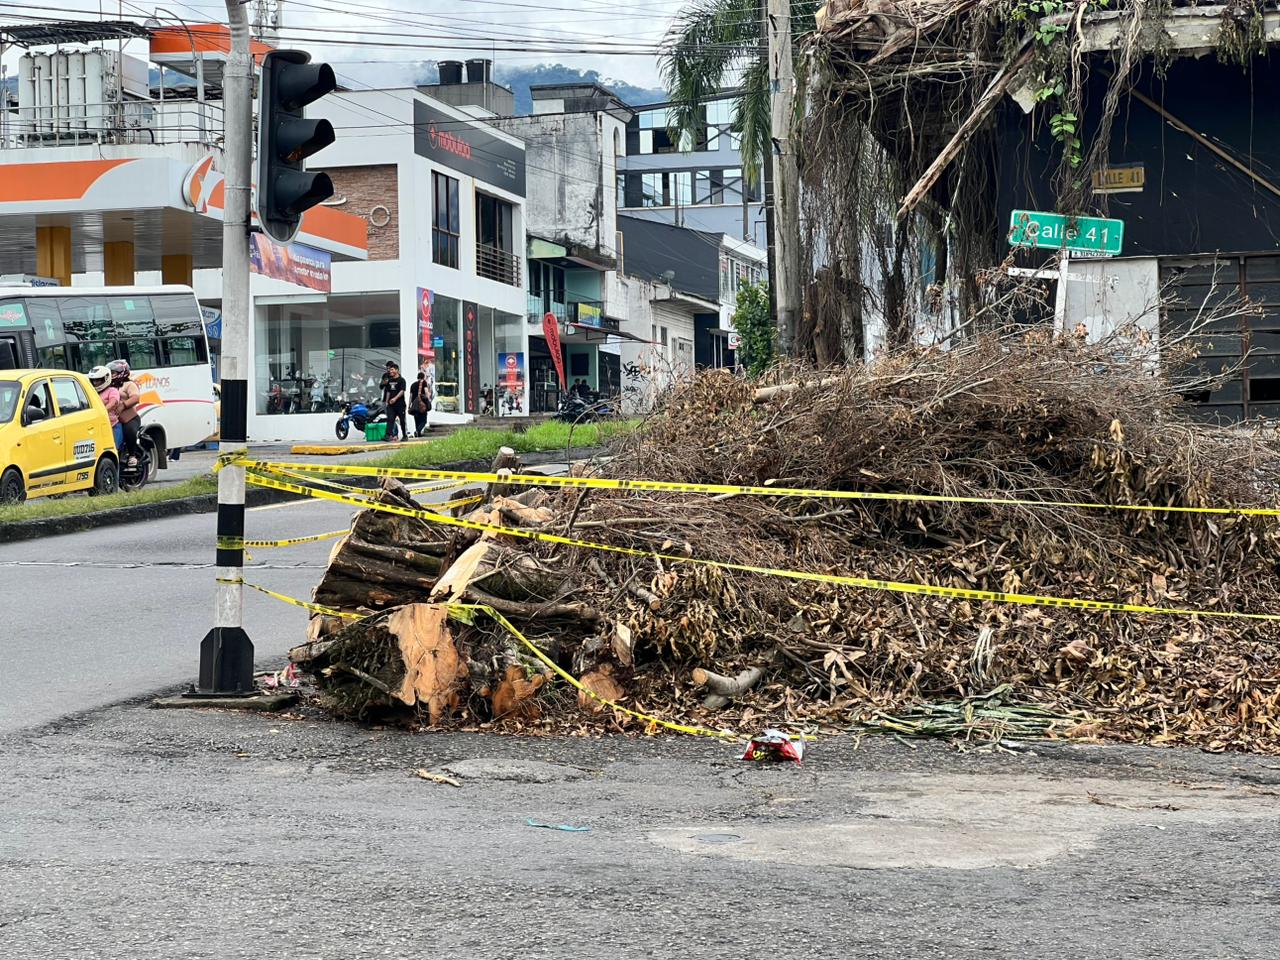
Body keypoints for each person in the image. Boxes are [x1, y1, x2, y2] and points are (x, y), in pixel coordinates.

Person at [109, 360, 142, 467]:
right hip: (112, 420)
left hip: (129, 419)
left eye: (113, 373)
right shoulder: (108, 387)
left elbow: (136, 397)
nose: (111, 375)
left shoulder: (129, 384)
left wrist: (123, 405)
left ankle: (132, 456)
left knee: (129, 431)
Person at [88, 365, 123, 450]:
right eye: (93, 381)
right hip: (97, 426)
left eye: (98, 380)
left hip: (112, 425)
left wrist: (102, 411)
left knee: (113, 449)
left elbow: (113, 402)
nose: (95, 383)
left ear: (106, 378)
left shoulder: (112, 391)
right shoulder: (91, 392)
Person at [383, 361, 407, 442]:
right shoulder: (390, 381)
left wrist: (395, 399)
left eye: (392, 369)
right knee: (390, 419)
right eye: (390, 370)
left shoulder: (402, 380)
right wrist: (387, 401)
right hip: (391, 405)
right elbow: (388, 392)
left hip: (400, 404)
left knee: (402, 421)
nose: (390, 371)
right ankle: (387, 435)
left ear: (397, 370)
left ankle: (404, 435)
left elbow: (402, 391)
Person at [409, 370, 431, 438]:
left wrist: (409, 405)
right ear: (423, 377)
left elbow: (411, 396)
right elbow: (426, 392)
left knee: (417, 420)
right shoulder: (424, 382)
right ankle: (418, 431)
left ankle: (418, 433)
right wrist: (427, 400)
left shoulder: (412, 385)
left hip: (414, 405)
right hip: (422, 405)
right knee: (424, 420)